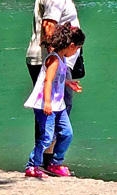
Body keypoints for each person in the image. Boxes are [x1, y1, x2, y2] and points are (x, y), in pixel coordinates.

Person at [26, 0, 97, 166]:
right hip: (51, 61)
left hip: (58, 62)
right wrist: (56, 60)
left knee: (57, 109)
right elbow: (49, 27)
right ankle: (45, 161)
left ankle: (47, 160)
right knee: (52, 111)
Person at [23, 23, 85, 178]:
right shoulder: (54, 60)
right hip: (46, 104)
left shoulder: (62, 58)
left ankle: (55, 163)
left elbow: (58, 79)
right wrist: (48, 103)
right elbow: (48, 81)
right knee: (47, 137)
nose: (77, 51)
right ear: (71, 45)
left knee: (66, 133)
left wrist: (69, 83)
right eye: (77, 48)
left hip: (59, 105)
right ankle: (32, 165)